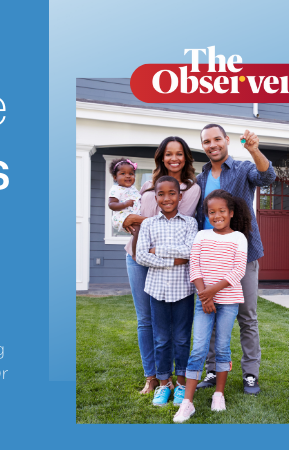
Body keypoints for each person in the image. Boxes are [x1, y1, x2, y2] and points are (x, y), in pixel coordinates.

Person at [194, 124, 275, 395]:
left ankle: (250, 374)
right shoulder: (201, 178)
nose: (212, 144)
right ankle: (213, 368)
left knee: (247, 317)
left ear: (227, 140)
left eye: (217, 139)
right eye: (207, 141)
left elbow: (267, 176)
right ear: (203, 145)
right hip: (208, 257)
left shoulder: (242, 169)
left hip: (243, 253)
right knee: (211, 311)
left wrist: (254, 150)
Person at [121, 137, 201, 395]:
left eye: (179, 154)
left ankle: (173, 379)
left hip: (169, 263)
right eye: (169, 154)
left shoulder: (191, 188)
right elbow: (143, 219)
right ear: (161, 157)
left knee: (176, 330)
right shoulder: (146, 185)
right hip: (136, 254)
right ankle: (153, 377)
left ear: (186, 157)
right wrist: (129, 219)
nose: (174, 158)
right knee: (145, 320)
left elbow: (178, 218)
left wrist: (139, 221)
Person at [173, 189, 250, 423]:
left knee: (223, 347)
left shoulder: (239, 238)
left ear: (231, 213)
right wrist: (204, 296)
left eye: (221, 211)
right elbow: (194, 266)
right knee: (198, 348)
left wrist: (211, 294)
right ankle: (188, 403)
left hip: (228, 300)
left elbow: (238, 271)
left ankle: (219, 394)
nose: (216, 215)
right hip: (204, 299)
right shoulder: (201, 236)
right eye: (211, 212)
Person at [134, 176, 198, 407]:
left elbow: (190, 251)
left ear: (180, 196)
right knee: (160, 339)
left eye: (172, 193)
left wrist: (157, 251)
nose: (167, 198)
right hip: (157, 290)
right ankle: (163, 384)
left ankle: (181, 384)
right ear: (156, 197)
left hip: (183, 291)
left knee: (181, 338)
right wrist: (173, 260)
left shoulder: (190, 223)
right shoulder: (149, 224)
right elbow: (141, 255)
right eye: (161, 194)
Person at [107, 158, 141, 234]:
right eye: (123, 173)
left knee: (141, 232)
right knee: (136, 231)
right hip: (121, 216)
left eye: (131, 174)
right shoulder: (116, 189)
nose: (128, 176)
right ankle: (135, 246)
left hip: (133, 215)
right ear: (115, 177)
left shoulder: (133, 189)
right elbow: (111, 204)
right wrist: (124, 204)